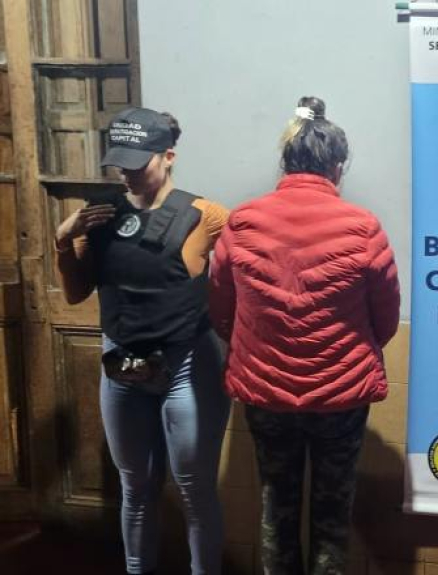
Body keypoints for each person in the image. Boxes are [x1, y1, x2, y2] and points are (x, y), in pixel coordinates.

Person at [209, 96, 400, 575]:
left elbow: (221, 311)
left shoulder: (242, 222)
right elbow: (386, 319)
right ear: (337, 167)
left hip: (266, 392)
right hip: (341, 393)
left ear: (286, 161)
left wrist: (256, 350)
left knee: (276, 505)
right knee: (333, 512)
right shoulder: (363, 227)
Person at [55, 107, 231, 575]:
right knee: (135, 488)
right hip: (122, 367)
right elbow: (75, 294)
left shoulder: (205, 215)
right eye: (120, 163)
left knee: (195, 490)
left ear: (168, 156)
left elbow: (246, 268)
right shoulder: (100, 215)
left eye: (139, 163)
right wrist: (63, 240)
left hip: (186, 365)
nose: (127, 173)